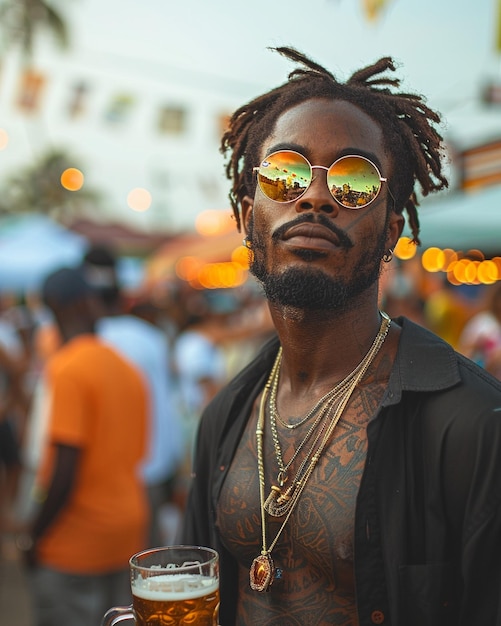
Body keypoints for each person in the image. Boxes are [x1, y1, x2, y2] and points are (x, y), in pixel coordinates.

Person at [179, 47, 501, 626]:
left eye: (354, 181)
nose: (316, 196)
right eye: (286, 173)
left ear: (390, 231)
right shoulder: (226, 415)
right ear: (249, 217)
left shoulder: (474, 423)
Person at [18, 267, 149, 626]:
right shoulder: (127, 368)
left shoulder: (67, 369)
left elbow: (64, 470)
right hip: (125, 532)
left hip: (75, 542)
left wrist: (33, 537)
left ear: (57, 308)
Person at [82, 245, 185, 547]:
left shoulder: (87, 342)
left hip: (103, 478)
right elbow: (167, 405)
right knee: (146, 569)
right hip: (151, 468)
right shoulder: (151, 338)